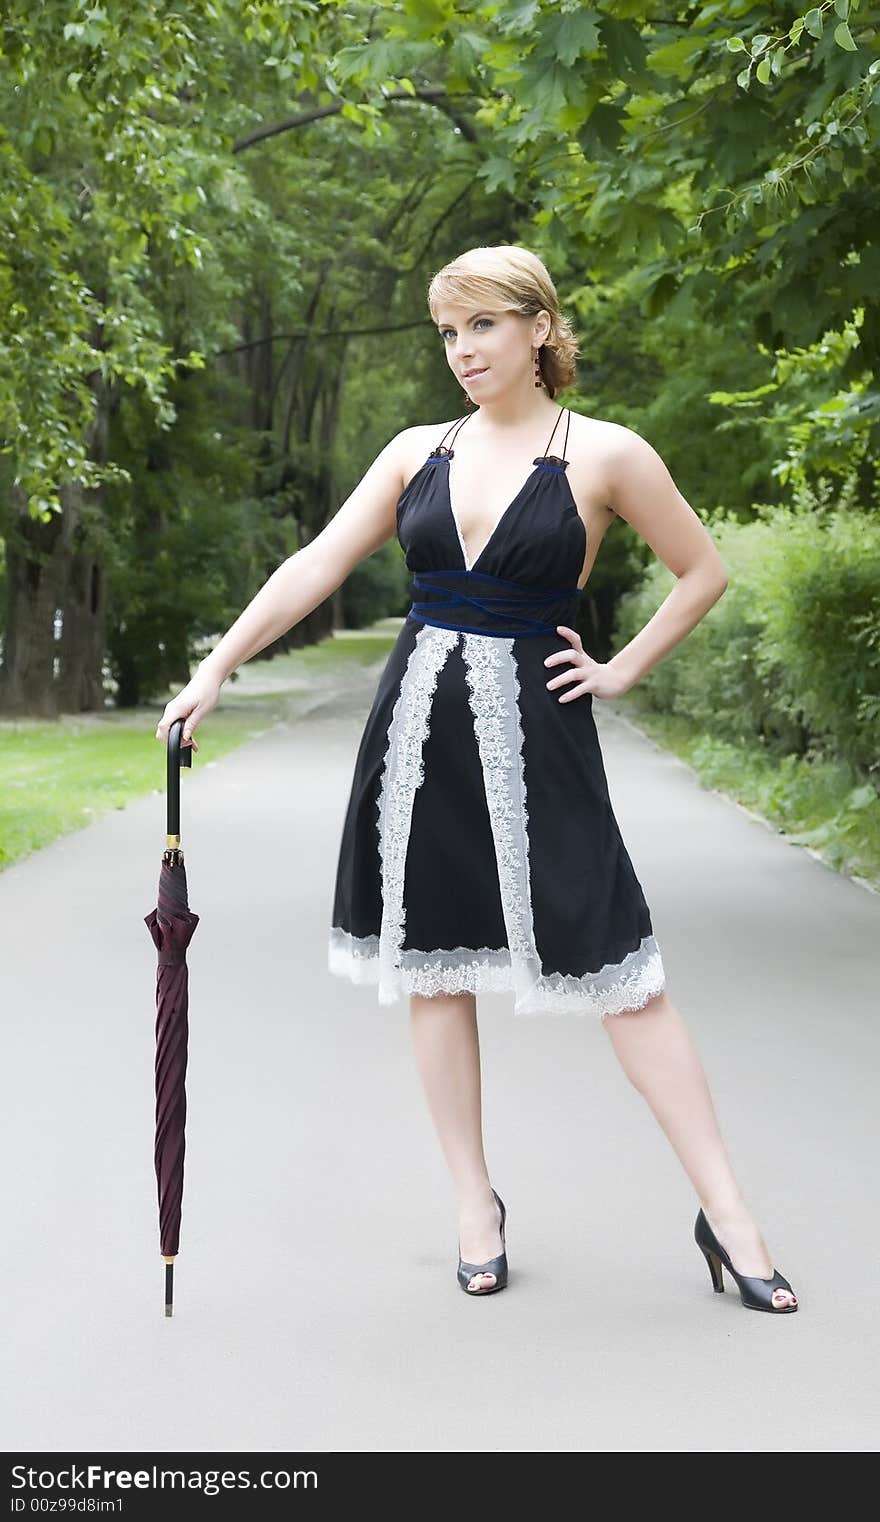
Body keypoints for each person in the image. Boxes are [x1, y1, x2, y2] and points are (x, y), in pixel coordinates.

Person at [155, 244, 798, 1312]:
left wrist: (623, 665)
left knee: (619, 970)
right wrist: (215, 667)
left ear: (539, 328)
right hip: (417, 737)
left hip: (543, 741)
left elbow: (704, 569)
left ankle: (728, 1217)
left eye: (483, 327)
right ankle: (473, 1203)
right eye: (449, 333)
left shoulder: (604, 454)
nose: (462, 351)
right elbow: (317, 561)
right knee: (437, 968)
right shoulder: (417, 451)